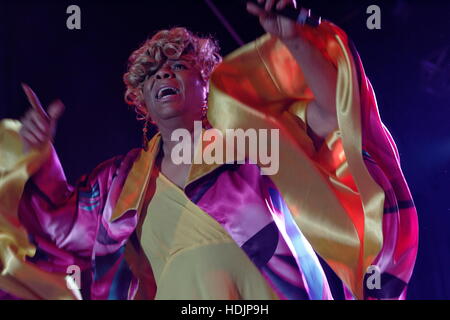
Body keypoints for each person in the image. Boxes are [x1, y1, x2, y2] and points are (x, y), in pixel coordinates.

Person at [0, 0, 418, 300]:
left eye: (178, 64)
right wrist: (34, 152)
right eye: (150, 74)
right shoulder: (121, 180)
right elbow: (55, 225)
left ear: (206, 80)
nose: (163, 71)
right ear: (141, 102)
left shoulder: (250, 138)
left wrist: (297, 42)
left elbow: (334, 116)